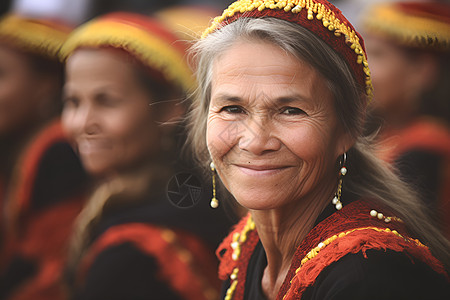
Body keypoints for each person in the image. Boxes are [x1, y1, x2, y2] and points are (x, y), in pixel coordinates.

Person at [187, 0, 450, 299]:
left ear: (349, 127)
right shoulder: (248, 249)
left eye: (290, 110)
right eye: (232, 108)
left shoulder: (372, 275)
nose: (256, 141)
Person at [60, 12, 225, 300]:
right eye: (73, 102)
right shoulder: (187, 198)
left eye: (106, 101)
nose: (83, 123)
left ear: (169, 109)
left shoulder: (136, 251)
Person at [0, 14, 88, 300]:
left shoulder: (60, 150)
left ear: (46, 86)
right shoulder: (19, 146)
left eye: (1, 75)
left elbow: (52, 271)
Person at [362, 1, 450, 240]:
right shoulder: (389, 134)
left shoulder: (427, 147)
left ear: (421, 70)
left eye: (378, 55)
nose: (364, 69)